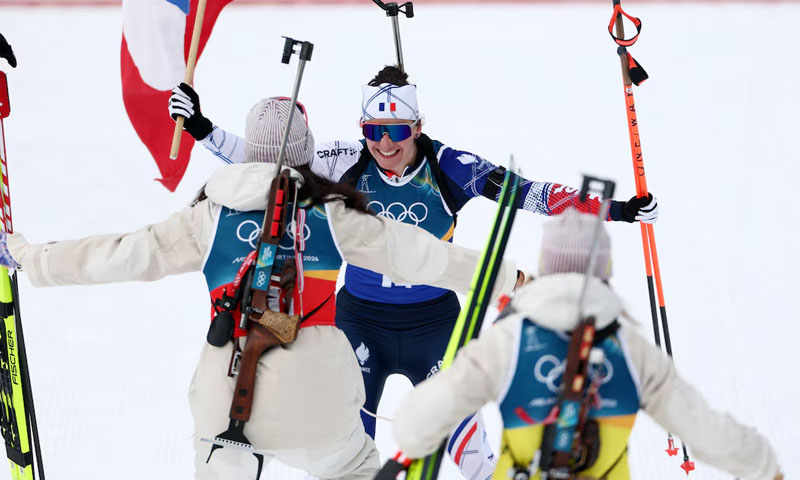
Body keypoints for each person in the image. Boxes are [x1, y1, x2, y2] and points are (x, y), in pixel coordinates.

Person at [168, 66, 659, 479]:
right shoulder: (345, 161)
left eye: (397, 131)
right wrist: (202, 129)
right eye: (373, 131)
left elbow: (529, 194)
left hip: (436, 324)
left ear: (417, 127)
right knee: (348, 450)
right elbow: (268, 162)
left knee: (468, 451)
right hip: (359, 322)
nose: (384, 143)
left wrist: (612, 209)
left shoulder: (450, 167)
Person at [0, 98, 520, 480]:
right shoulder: (333, 217)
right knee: (360, 464)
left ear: (251, 155)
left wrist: (28, 258)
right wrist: (507, 277)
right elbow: (425, 255)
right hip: (317, 407)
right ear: (307, 153)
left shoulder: (206, 217)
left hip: (226, 404)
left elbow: (116, 255)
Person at [391, 208, 782, 480]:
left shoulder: (506, 341)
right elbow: (706, 431)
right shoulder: (631, 348)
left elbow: (415, 426)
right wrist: (764, 465)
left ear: (545, 267)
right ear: (605, 271)